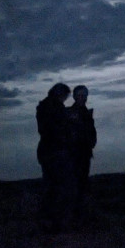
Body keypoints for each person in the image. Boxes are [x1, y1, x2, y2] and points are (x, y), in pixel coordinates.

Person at [36, 82, 76, 231]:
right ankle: (55, 221)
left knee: (52, 186)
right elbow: (54, 130)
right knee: (59, 187)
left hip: (50, 151)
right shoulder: (53, 108)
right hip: (55, 152)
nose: (66, 99)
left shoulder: (46, 107)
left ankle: (50, 220)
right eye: (65, 96)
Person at [68, 85, 97, 217]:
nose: (82, 98)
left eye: (84, 95)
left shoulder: (87, 114)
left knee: (82, 184)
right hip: (72, 156)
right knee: (73, 185)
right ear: (74, 96)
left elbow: (92, 135)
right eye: (79, 95)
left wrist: (90, 143)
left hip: (84, 154)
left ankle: (80, 215)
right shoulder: (69, 113)